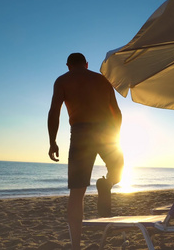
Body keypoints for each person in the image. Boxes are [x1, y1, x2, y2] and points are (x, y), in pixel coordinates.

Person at [47, 53, 123, 250]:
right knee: (118, 168)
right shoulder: (102, 79)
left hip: (81, 133)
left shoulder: (63, 80)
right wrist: (115, 137)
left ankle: (75, 246)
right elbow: (117, 111)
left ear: (68, 66)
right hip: (106, 131)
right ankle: (107, 183)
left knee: (77, 193)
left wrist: (52, 142)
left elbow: (54, 111)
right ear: (87, 64)